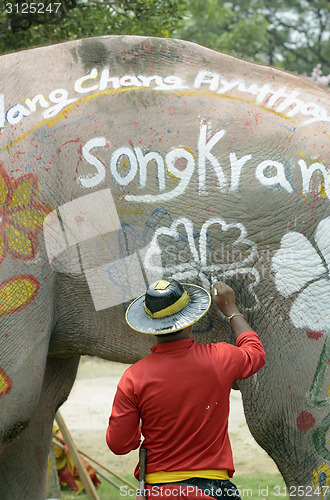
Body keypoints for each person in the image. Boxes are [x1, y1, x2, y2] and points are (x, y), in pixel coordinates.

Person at [106, 279, 265, 499]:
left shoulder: (133, 378)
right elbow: (255, 352)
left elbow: (120, 444)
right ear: (191, 321)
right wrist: (231, 310)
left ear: (151, 328)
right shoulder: (220, 358)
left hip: (158, 492)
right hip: (213, 490)